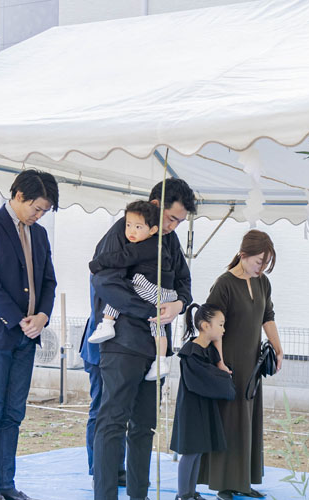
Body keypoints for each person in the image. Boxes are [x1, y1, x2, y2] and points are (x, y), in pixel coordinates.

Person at [90, 178, 195, 500]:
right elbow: (105, 281)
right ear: (154, 205)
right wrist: (148, 309)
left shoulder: (171, 240)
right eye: (171, 218)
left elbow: (184, 281)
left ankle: (140, 494)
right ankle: (105, 495)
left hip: (155, 346)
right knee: (112, 422)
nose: (173, 226)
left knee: (144, 426)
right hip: (122, 343)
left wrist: (178, 304)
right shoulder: (125, 230)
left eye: (179, 221)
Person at [0, 170, 59, 500]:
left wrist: (43, 317)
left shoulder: (40, 236)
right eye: (38, 208)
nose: (39, 216)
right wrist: (19, 318)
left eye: (44, 211)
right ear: (19, 195)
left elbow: (49, 281)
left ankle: (6, 482)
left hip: (28, 336)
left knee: (13, 414)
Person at [197, 230, 283, 500]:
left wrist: (278, 348)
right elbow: (211, 326)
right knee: (229, 421)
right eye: (260, 261)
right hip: (229, 363)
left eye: (266, 264)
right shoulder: (224, 284)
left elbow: (267, 317)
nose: (262, 268)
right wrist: (220, 362)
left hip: (252, 365)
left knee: (248, 421)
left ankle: (243, 480)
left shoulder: (262, 282)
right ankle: (224, 484)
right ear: (243, 255)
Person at [88, 200, 178, 381]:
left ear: (152, 230)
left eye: (138, 227)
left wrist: (96, 263)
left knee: (124, 288)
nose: (131, 231)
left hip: (156, 292)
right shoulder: (157, 244)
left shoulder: (149, 245)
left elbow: (123, 257)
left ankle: (107, 323)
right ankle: (160, 362)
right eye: (128, 225)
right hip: (163, 293)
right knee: (157, 326)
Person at [171, 303, 236, 500]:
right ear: (205, 325)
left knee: (198, 451)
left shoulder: (209, 351)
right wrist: (225, 380)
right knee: (190, 452)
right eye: (221, 324)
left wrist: (221, 373)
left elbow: (214, 374)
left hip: (204, 406)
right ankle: (183, 495)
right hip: (191, 409)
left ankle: (191, 492)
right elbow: (202, 379)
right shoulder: (191, 351)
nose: (224, 329)